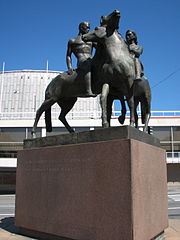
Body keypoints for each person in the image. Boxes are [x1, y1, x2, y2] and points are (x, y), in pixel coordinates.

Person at [66, 21, 96, 97]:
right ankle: (88, 90)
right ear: (81, 28)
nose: (88, 29)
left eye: (89, 28)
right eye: (87, 27)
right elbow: (68, 55)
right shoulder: (72, 41)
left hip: (91, 58)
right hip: (82, 61)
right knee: (87, 63)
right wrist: (69, 67)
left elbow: (100, 47)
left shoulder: (91, 40)